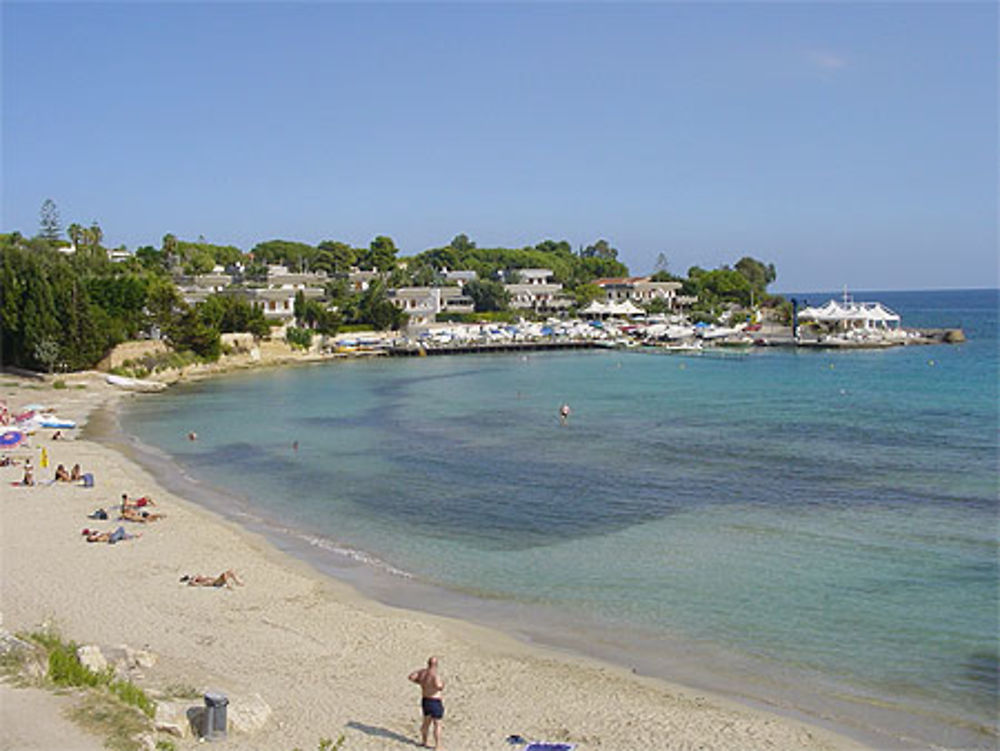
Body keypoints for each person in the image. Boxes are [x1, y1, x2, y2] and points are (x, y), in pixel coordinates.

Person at [408, 656, 445, 749]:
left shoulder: (423, 672)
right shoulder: (435, 675)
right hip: (435, 700)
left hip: (425, 700)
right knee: (437, 724)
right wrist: (442, 685)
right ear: (436, 665)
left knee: (426, 723)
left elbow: (411, 677)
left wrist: (420, 683)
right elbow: (439, 686)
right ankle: (438, 746)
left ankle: (424, 741)